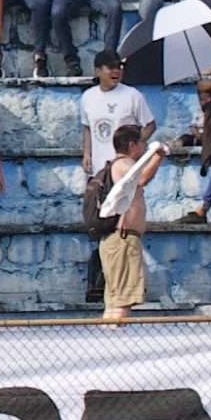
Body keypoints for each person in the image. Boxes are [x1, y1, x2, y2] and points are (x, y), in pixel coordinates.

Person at [94, 124, 164, 324]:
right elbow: (141, 179)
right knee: (122, 301)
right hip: (123, 239)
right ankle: (117, 341)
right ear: (133, 145)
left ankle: (109, 340)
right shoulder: (123, 164)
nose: (145, 146)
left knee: (115, 300)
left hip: (119, 240)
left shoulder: (116, 165)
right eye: (143, 142)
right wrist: (158, 157)